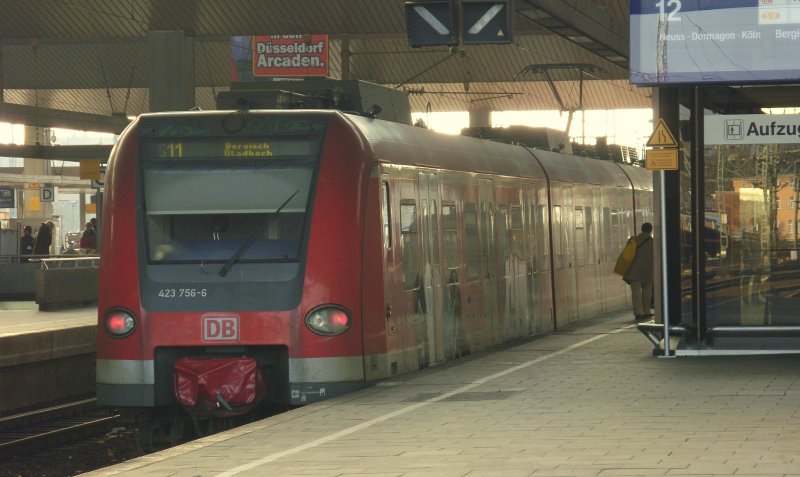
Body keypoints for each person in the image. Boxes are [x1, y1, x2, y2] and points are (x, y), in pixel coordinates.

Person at [623, 222, 654, 321]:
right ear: (650, 230)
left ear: (641, 229)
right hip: (648, 270)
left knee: (636, 292)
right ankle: (647, 311)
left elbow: (625, 255)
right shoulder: (653, 243)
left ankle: (638, 312)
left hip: (634, 271)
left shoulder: (633, 240)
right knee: (647, 291)